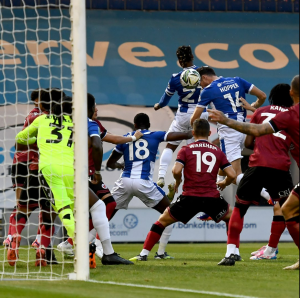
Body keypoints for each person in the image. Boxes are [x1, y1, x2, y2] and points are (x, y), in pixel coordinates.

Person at [15, 96, 133, 266]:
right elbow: (96, 144)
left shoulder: (42, 120)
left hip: (48, 169)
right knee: (96, 206)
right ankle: (98, 250)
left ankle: (83, 245)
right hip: (72, 170)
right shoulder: (80, 122)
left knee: (63, 209)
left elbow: (20, 138)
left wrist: (38, 139)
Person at [208, 75, 299, 269]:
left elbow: (249, 142)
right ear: (290, 97)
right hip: (281, 168)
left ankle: (231, 251)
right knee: (287, 210)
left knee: (240, 209)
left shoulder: (261, 112)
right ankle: (272, 250)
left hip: (257, 166)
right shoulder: (292, 115)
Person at [129, 119, 236, 261]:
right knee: (233, 217)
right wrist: (224, 183)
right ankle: (231, 253)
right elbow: (232, 174)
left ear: (193, 133)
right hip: (212, 197)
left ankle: (143, 254)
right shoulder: (217, 151)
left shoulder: (186, 149)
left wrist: (178, 181)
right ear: (210, 133)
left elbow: (176, 170)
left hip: (189, 197)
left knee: (161, 222)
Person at [58, 93, 143, 258]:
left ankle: (76, 243)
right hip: (84, 173)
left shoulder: (89, 124)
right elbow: (98, 145)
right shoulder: (88, 124)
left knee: (104, 205)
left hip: (73, 172)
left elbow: (113, 139)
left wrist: (132, 137)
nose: (96, 109)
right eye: (94, 106)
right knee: (104, 205)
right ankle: (78, 243)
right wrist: (97, 171)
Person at [107, 113, 193, 260]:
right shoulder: (155, 135)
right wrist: (188, 134)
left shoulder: (125, 138)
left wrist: (121, 165)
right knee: (170, 213)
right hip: (143, 183)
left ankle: (94, 247)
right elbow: (173, 136)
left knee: (103, 216)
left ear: (134, 125)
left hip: (125, 181)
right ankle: (160, 253)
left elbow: (110, 163)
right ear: (149, 125)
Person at [6, 89, 64, 266]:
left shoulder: (36, 118)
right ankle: (42, 247)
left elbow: (19, 142)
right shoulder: (63, 120)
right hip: (47, 170)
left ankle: (12, 238)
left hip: (32, 167)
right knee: (49, 212)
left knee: (24, 208)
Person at [190, 66, 267, 194]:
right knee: (222, 166)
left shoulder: (208, 90)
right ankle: (214, 199)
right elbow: (262, 96)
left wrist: (205, 118)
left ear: (204, 77)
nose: (201, 86)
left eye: (199, 83)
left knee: (234, 176)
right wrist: (252, 106)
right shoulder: (237, 80)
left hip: (229, 132)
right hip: (244, 128)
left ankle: (267, 194)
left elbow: (194, 119)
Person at [154, 46, 208, 188]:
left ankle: (160, 176)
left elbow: (165, 100)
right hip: (201, 115)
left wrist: (158, 105)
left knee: (170, 146)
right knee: (194, 151)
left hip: (183, 115)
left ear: (179, 61)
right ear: (193, 57)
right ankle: (188, 183)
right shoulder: (204, 72)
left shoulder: (175, 78)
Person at [4, 88, 44, 248]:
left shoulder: (35, 115)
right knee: (35, 204)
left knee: (27, 204)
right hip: (28, 163)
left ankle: (12, 237)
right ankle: (35, 239)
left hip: (25, 162)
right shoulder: (39, 116)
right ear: (36, 101)